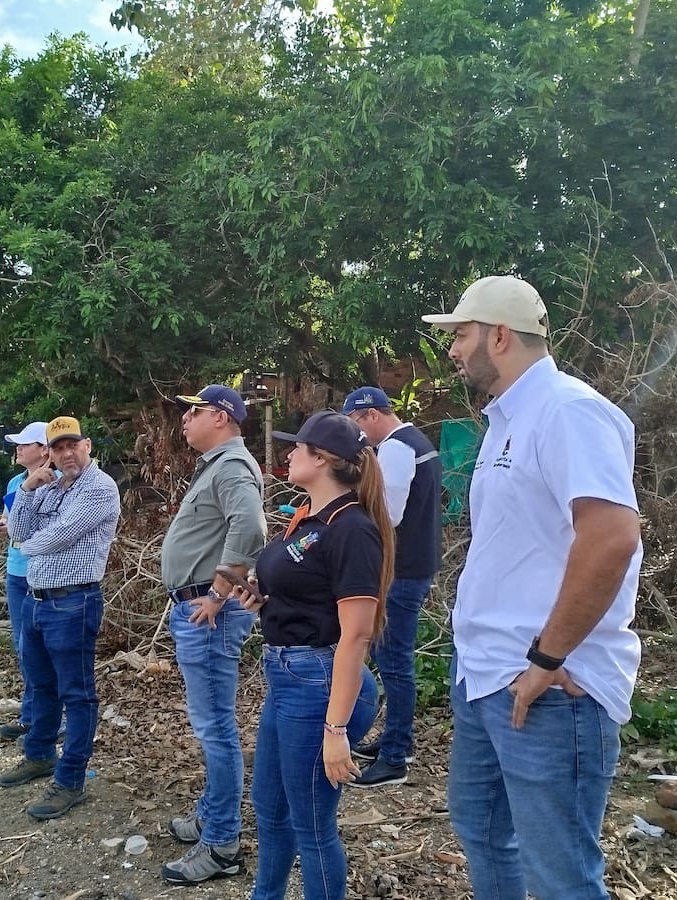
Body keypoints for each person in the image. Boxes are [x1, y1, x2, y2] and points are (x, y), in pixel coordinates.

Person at [422, 275, 642, 899]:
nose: (454, 350)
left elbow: (612, 538)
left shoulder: (569, 410)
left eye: (461, 335)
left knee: (561, 877)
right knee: (485, 834)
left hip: (547, 689)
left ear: (498, 335)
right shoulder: (506, 420)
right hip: (486, 675)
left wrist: (549, 656)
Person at [231, 410, 392, 900]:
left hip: (319, 680)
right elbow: (306, 589)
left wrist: (336, 731)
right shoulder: (309, 518)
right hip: (288, 677)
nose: (288, 454)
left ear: (321, 459)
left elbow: (356, 636)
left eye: (297, 447)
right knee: (271, 806)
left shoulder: (353, 530)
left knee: (312, 823)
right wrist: (264, 596)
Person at [159, 384, 267, 885]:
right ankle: (210, 814)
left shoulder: (232, 467)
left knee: (215, 729)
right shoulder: (217, 465)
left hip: (210, 613)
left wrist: (221, 592)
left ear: (221, 417)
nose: (186, 419)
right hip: (201, 610)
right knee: (213, 726)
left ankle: (222, 844)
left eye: (194, 411)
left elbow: (251, 527)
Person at [0, 415, 121, 821]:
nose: (66, 454)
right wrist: (30, 490)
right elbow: (18, 526)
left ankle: (70, 781)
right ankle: (39, 754)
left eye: (73, 445)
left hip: (73, 602)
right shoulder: (53, 486)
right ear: (48, 453)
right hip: (36, 599)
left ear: (87, 446)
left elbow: (49, 537)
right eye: (58, 448)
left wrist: (23, 536)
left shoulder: (99, 488)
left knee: (76, 693)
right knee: (40, 683)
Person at [340, 386, 442, 787]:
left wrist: (350, 511)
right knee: (393, 658)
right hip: (416, 564)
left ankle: (395, 756)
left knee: (394, 661)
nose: (357, 437)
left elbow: (391, 513)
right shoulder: (418, 441)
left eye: (354, 425)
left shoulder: (397, 448)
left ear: (369, 416)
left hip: (402, 570)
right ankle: (397, 740)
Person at [0, 421, 49, 742]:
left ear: (44, 449)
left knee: (40, 648)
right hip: (15, 571)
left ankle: (45, 720)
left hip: (39, 576)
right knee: (23, 647)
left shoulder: (56, 483)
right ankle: (29, 716)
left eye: (25, 443)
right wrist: (3, 526)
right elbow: (8, 521)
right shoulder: (17, 481)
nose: (18, 448)